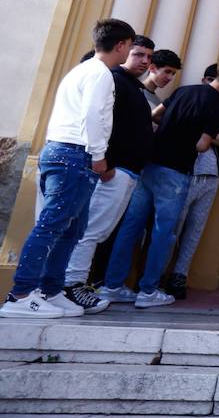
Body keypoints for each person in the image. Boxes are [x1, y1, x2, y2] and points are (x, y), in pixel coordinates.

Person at [1, 19, 132, 319]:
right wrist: (99, 155)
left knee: (72, 228)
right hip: (75, 155)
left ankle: (51, 290)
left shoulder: (81, 70)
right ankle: (21, 294)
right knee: (51, 226)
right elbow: (92, 115)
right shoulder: (100, 74)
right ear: (122, 44)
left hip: (60, 151)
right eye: (130, 45)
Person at [99, 58, 219, 308]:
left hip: (150, 163)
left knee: (131, 227)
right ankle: (148, 290)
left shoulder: (184, 90)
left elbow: (155, 115)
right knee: (163, 232)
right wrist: (211, 138)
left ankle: (112, 286)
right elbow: (201, 145)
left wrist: (172, 130)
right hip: (176, 170)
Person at [60, 34, 156, 313]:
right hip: (109, 170)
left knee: (98, 232)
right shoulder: (111, 79)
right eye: (138, 54)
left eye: (149, 57)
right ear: (122, 50)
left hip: (127, 172)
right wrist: (104, 162)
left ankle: (75, 283)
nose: (145, 61)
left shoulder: (133, 86)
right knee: (89, 231)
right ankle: (71, 285)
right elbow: (98, 120)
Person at [163, 63, 219, 300]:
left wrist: (207, 135)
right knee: (171, 227)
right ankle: (157, 276)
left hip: (211, 175)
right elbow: (174, 125)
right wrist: (210, 134)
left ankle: (179, 276)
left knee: (194, 230)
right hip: (184, 170)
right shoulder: (189, 96)